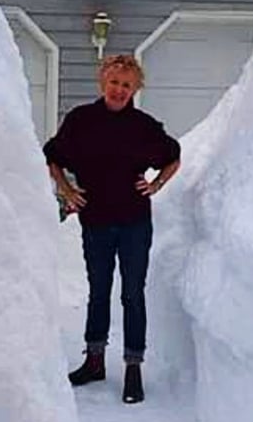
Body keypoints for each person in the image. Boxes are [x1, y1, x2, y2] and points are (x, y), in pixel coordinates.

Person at [43, 54, 181, 404]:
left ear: (135, 89)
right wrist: (67, 189)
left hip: (135, 223)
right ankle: (94, 361)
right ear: (102, 81)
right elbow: (53, 156)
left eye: (127, 85)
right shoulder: (81, 121)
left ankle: (133, 368)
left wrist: (157, 185)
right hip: (96, 223)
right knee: (99, 291)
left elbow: (173, 156)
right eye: (115, 82)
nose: (119, 90)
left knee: (133, 293)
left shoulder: (143, 127)